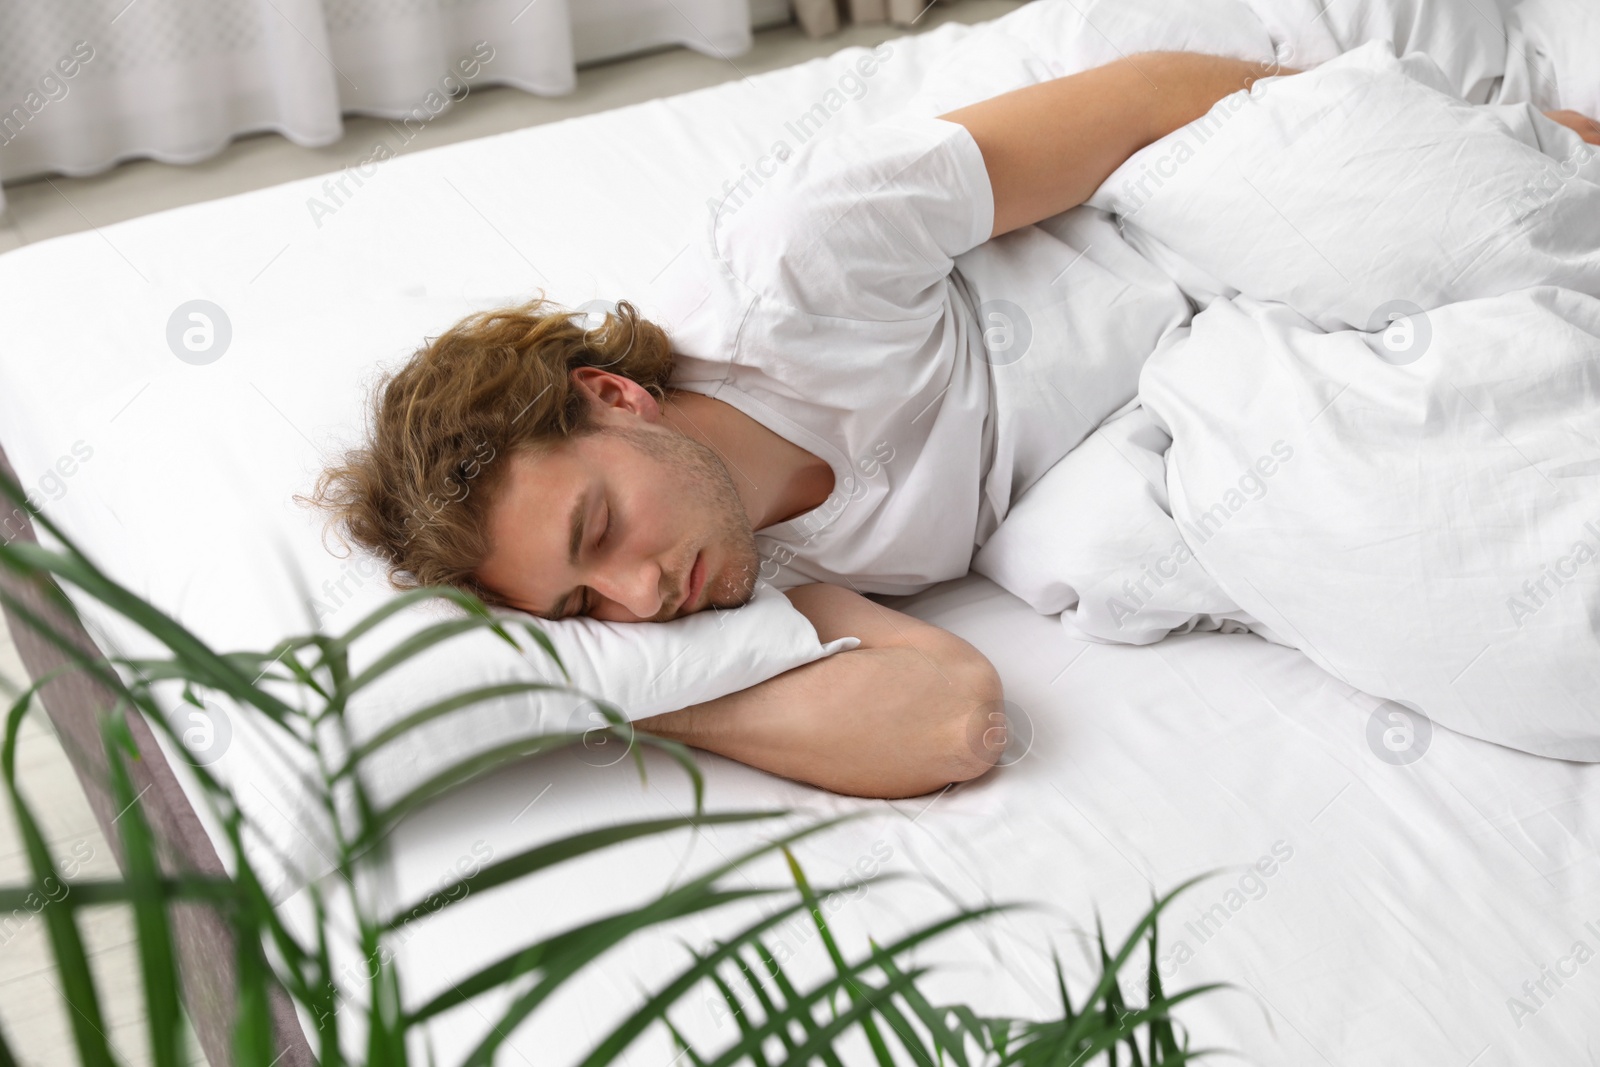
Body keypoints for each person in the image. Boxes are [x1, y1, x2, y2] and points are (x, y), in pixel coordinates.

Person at [311, 46, 1597, 799]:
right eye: (585, 608)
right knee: (1442, 577)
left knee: (1419, 211)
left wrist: (1462, 141)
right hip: (1165, 407)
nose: (639, 593)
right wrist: (626, 692)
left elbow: (1146, 102)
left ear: (612, 394)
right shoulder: (731, 588)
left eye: (599, 527)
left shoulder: (797, 264)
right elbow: (954, 719)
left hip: (1164, 224)